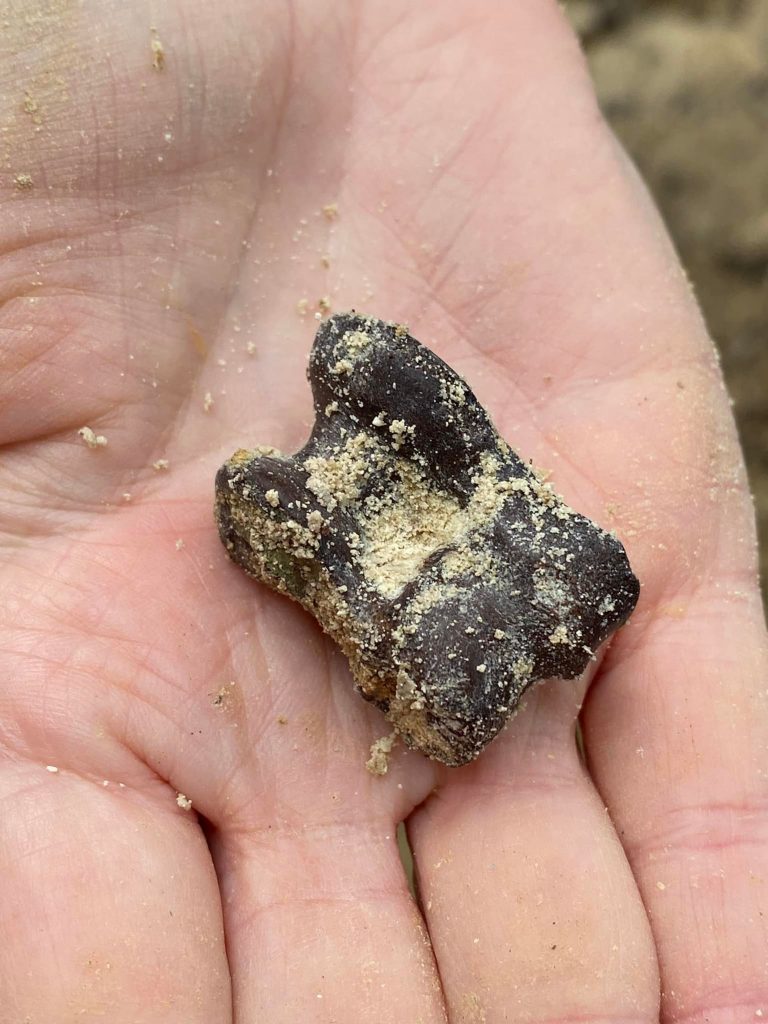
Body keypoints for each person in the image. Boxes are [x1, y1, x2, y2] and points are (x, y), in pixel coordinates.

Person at [1, 2, 766, 1020]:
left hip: (465, 558)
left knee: (364, 384)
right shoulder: (309, 509)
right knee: (328, 420)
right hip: (403, 566)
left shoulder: (504, 552)